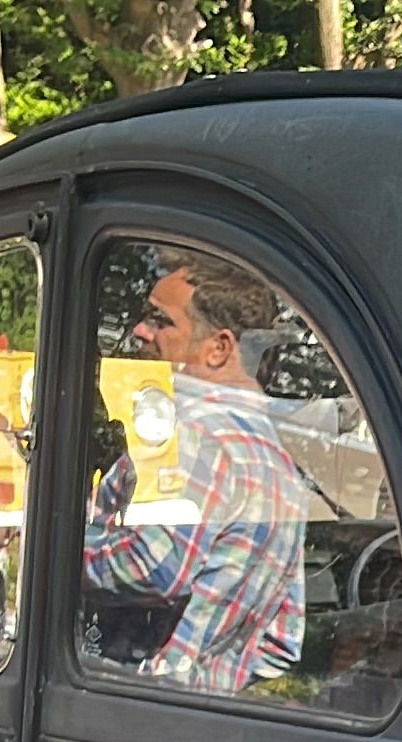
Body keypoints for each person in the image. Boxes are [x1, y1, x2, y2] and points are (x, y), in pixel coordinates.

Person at [86, 249, 307, 694]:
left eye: (160, 320)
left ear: (218, 348)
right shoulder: (283, 469)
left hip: (125, 704)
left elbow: (153, 565)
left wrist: (50, 551)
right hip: (202, 717)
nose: (140, 331)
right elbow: (281, 642)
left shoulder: (196, 434)